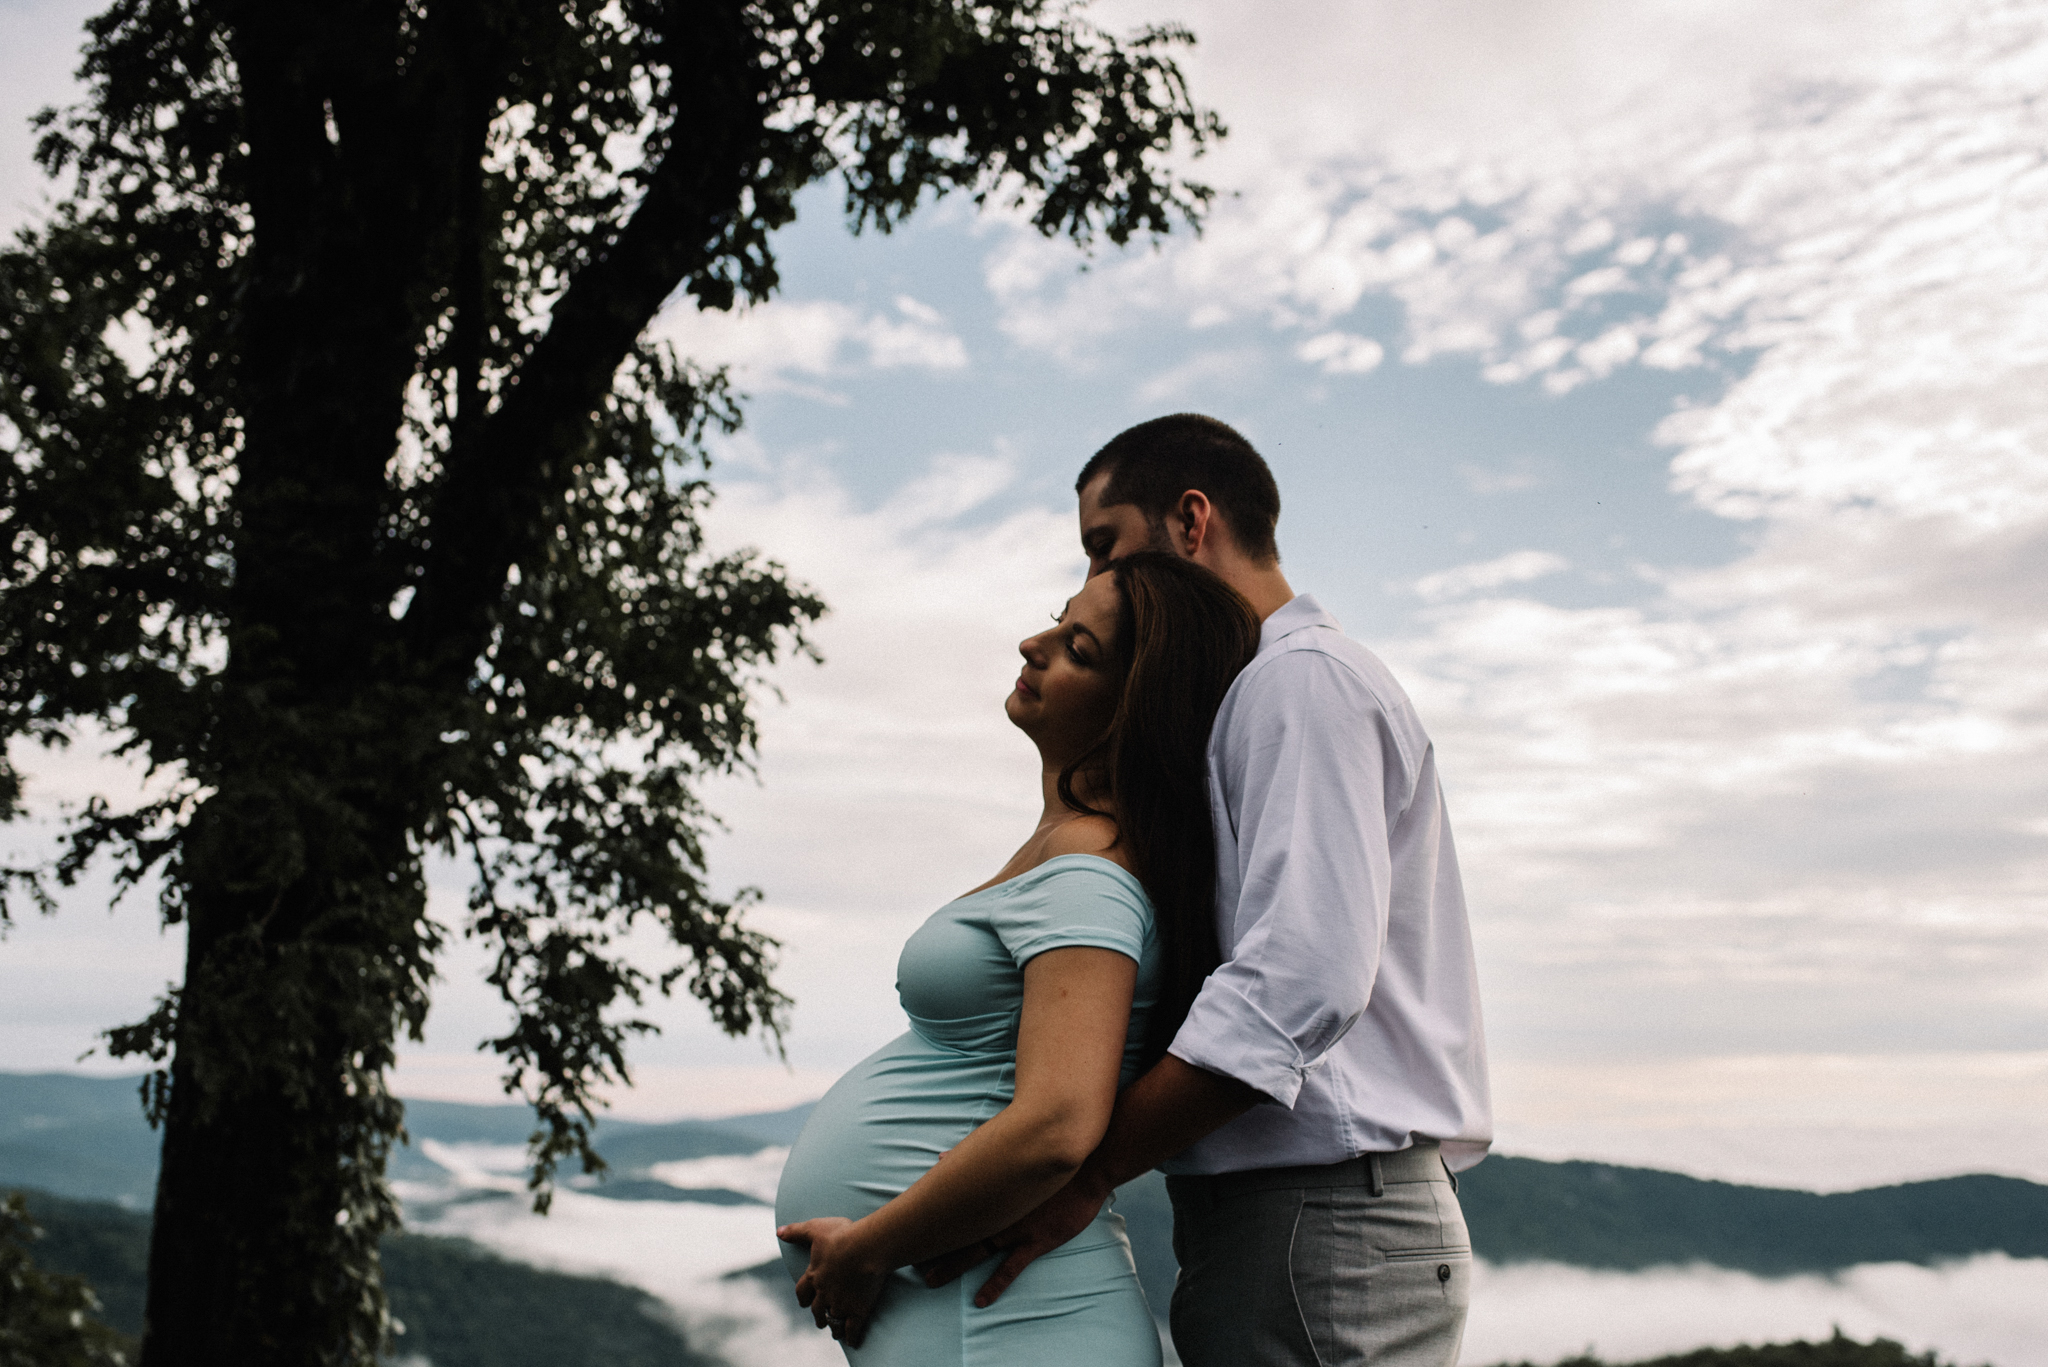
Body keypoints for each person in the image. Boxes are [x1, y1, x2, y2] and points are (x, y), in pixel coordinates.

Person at [923, 414, 1494, 1367]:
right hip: (1300, 1219)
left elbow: (1301, 977)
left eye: (1106, 546)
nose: (1102, 583)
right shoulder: (1262, 692)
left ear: (1192, 521)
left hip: (1319, 1215)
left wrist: (1090, 1168)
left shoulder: (1297, 682)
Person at [774, 550, 1263, 1363]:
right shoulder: (1075, 853)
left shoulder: (1088, 870)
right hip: (981, 1317)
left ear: (1133, 708)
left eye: (1079, 649)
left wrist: (867, 1248)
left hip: (1006, 1323)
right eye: (1058, 621)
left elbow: (1056, 1126)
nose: (1033, 644)